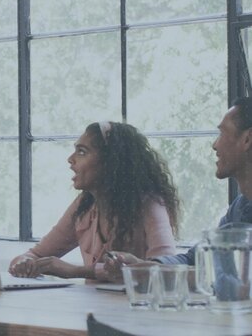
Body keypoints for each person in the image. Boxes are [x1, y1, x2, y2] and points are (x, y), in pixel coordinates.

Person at [8, 122, 179, 281]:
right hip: (94, 308)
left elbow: (167, 270)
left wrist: (74, 271)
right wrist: (24, 263)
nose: (70, 159)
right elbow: (35, 254)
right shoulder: (84, 205)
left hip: (137, 311)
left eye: (82, 152)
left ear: (111, 161)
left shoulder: (150, 204)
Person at [105, 97, 252, 280]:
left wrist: (155, 274)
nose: (215, 145)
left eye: (222, 133)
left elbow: (238, 279)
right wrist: (145, 267)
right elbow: (195, 259)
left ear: (247, 139)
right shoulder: (241, 206)